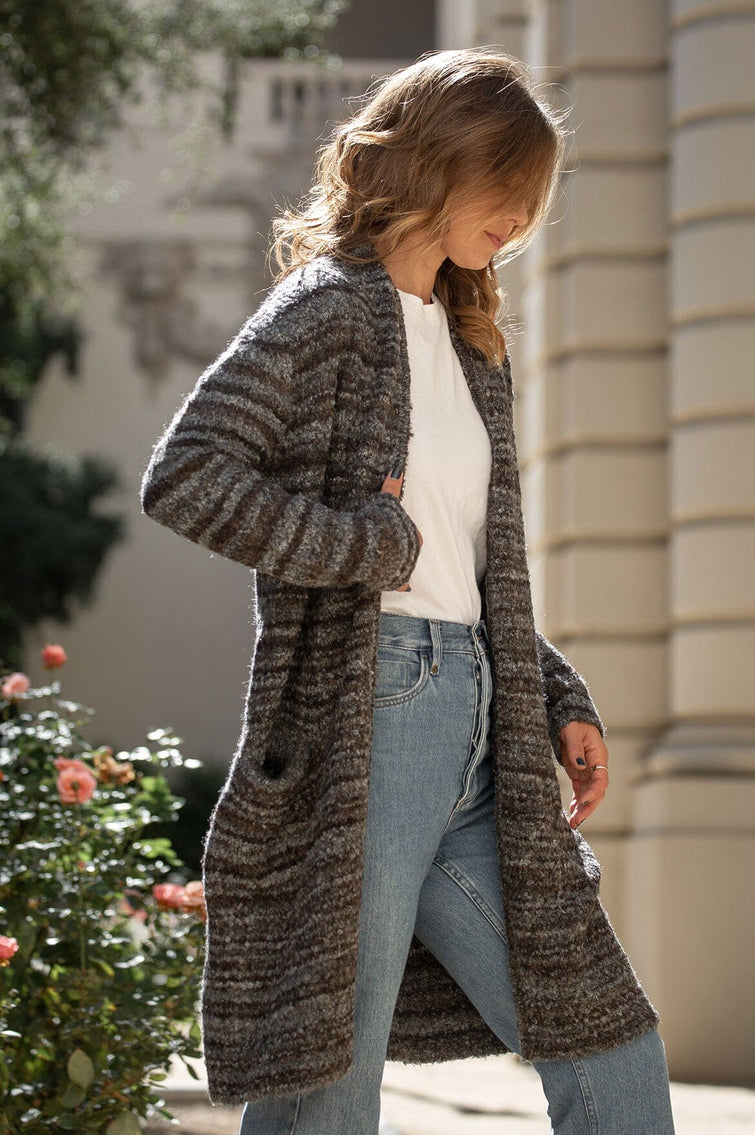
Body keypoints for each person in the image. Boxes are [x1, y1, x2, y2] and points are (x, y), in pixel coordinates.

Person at [141, 48, 675, 1135]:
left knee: (604, 1032)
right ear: (439, 162)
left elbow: (470, 567)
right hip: (368, 722)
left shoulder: (472, 344)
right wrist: (360, 543)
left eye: (533, 199)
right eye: (508, 189)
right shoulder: (325, 312)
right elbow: (186, 477)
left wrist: (553, 692)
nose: (520, 221)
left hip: (480, 727)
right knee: (329, 1079)